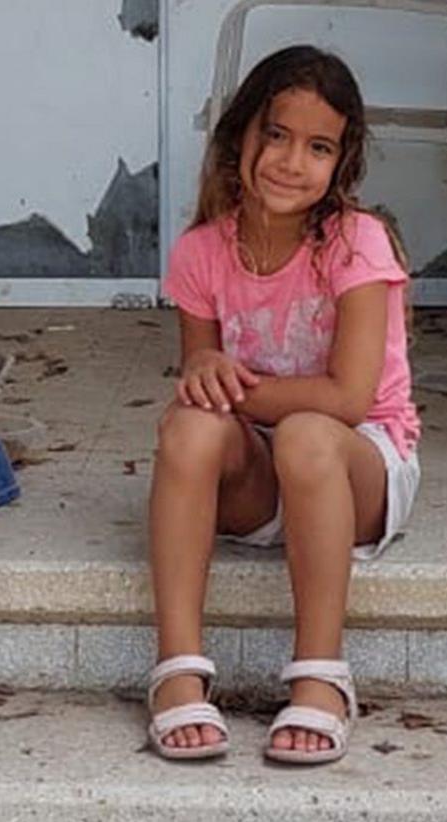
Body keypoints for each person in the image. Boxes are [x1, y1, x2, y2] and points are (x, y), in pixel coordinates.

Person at [145, 45, 420, 766]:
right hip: (264, 476)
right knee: (189, 425)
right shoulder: (201, 253)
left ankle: (321, 675)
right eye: (276, 135)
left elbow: (348, 398)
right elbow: (204, 381)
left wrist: (231, 382)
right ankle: (177, 668)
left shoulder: (358, 244)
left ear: (342, 163)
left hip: (359, 466)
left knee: (306, 432)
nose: (292, 161)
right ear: (241, 136)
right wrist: (203, 367)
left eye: (318, 146)